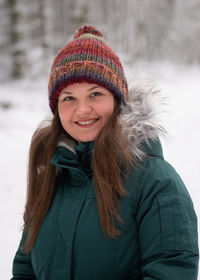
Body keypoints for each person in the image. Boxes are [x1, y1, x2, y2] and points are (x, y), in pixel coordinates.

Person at [11, 25, 199, 280]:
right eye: (69, 98)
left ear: (117, 100)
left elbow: (172, 269)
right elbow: (25, 270)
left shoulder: (155, 181)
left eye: (95, 94)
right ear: (56, 108)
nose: (83, 109)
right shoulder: (51, 179)